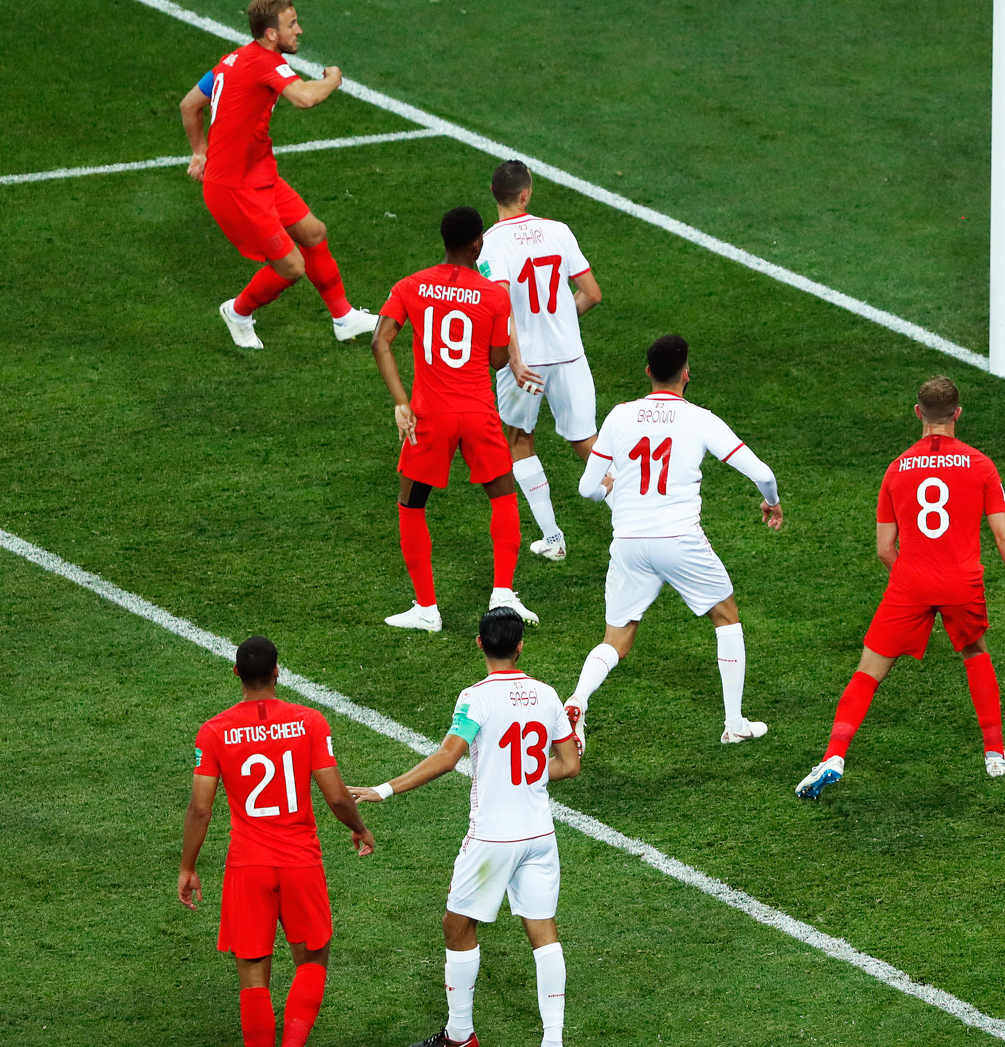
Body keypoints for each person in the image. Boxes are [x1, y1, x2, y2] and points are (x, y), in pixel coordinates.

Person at [795, 376, 1005, 799]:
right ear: (957, 414)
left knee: (867, 673)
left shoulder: (896, 469)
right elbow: (1004, 535)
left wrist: (913, 582)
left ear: (918, 414)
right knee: (975, 655)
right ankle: (995, 754)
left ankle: (833, 756)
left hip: (909, 582)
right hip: (961, 583)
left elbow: (884, 548)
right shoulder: (980, 465)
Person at [351, 607, 581, 1047]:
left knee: (456, 926)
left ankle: (460, 1036)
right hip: (539, 836)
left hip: (492, 838)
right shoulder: (548, 694)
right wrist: (529, 773)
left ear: (479, 643)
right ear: (520, 645)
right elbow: (569, 765)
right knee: (542, 930)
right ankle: (553, 1041)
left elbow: (448, 756)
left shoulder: (475, 697)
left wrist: (383, 790)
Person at [565, 334, 783, 752]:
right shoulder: (700, 419)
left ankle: (577, 700)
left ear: (648, 372)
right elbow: (762, 472)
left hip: (628, 542)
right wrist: (771, 503)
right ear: (686, 373)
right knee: (726, 615)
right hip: (679, 540)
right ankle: (734, 722)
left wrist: (611, 490)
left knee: (617, 638)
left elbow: (587, 487)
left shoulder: (620, 415)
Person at [178, 635, 375, 1047]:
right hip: (300, 860)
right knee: (312, 960)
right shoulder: (309, 721)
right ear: (277, 672)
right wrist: (358, 827)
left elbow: (200, 809)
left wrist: (188, 866)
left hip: (247, 865)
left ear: (236, 673)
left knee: (253, 974)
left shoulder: (213, 731)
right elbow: (337, 796)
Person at [372, 207, 543, 631]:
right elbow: (498, 359)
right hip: (478, 410)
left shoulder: (410, 285)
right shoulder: (494, 295)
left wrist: (400, 401)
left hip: (430, 413)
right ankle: (502, 595)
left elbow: (380, 341)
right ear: (477, 244)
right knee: (503, 496)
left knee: (412, 504)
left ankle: (427, 608)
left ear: (444, 241)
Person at [179, 0, 378, 349]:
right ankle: (237, 312)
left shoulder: (233, 59)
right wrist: (333, 79)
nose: (299, 30)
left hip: (259, 175)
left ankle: (344, 318)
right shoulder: (266, 63)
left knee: (314, 233)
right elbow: (305, 97)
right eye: (291, 24)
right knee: (291, 267)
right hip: (234, 187)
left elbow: (189, 104)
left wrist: (199, 153)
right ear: (271, 34)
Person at [478, 160, 605, 561]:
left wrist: (513, 359)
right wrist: (563, 320)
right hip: (569, 355)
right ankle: (638, 520)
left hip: (526, 361)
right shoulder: (559, 231)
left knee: (520, 439)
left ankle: (553, 539)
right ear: (526, 194)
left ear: (495, 195)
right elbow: (592, 293)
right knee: (586, 442)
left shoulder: (491, 243)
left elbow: (499, 304)